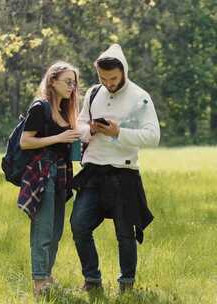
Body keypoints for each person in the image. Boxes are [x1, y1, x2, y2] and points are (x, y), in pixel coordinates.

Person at [70, 44, 160, 293]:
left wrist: (119, 132)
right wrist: (92, 130)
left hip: (124, 173)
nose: (108, 83)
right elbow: (79, 125)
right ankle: (92, 280)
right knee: (79, 225)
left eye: (113, 78)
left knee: (125, 233)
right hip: (93, 172)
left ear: (124, 72)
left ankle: (126, 285)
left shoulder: (140, 97)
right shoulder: (93, 93)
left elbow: (153, 136)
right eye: (103, 77)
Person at [19, 61, 81, 296]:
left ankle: (47, 275)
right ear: (52, 81)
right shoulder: (40, 107)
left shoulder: (66, 110)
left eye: (74, 83)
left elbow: (67, 140)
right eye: (67, 82)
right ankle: (38, 282)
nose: (72, 87)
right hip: (43, 174)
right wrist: (59, 138)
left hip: (62, 173)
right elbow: (26, 142)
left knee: (56, 231)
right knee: (43, 229)